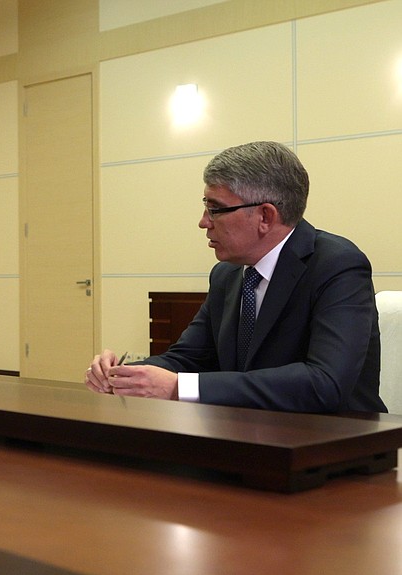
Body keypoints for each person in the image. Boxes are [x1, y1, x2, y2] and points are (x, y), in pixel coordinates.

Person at [84, 141, 386, 414]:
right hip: (249, 434)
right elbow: (188, 358)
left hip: (338, 440)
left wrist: (178, 388)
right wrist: (124, 376)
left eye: (215, 210)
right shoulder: (226, 275)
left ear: (265, 216)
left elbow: (324, 383)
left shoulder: (337, 266)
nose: (203, 222)